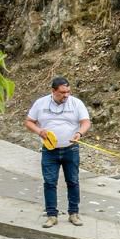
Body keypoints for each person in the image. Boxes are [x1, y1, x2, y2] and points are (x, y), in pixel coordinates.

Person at [25, 76, 91, 228]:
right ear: (53, 91)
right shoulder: (41, 103)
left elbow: (86, 122)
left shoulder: (76, 103)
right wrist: (39, 131)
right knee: (49, 182)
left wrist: (79, 133)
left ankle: (74, 213)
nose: (66, 95)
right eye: (62, 92)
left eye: (68, 91)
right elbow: (28, 121)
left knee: (73, 181)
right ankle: (51, 215)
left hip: (71, 149)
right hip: (49, 150)